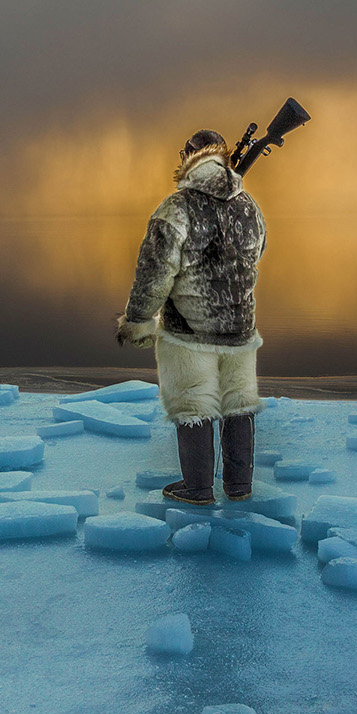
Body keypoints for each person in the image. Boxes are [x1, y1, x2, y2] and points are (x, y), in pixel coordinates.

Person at [116, 129, 266, 504]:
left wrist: (138, 320)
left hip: (189, 333)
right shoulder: (250, 207)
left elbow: (155, 271)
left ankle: (198, 488)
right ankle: (239, 486)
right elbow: (257, 253)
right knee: (238, 402)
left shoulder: (176, 208)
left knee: (192, 404)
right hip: (239, 330)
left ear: (188, 157)